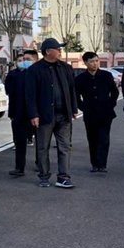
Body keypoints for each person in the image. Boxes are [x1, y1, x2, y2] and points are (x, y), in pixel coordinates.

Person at [26, 38, 78, 188]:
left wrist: (73, 109)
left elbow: (71, 89)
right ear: (48, 51)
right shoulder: (35, 70)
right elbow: (30, 95)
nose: (60, 51)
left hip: (64, 114)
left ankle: (63, 177)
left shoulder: (66, 68)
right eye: (58, 49)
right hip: (44, 116)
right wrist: (33, 114)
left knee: (65, 147)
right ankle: (44, 176)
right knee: (43, 147)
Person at [75, 52, 119, 173]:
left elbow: (114, 92)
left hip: (105, 113)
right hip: (90, 114)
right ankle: (94, 164)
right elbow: (76, 97)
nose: (95, 64)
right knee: (92, 139)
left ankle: (102, 164)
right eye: (91, 61)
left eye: (96, 61)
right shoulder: (80, 79)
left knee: (104, 139)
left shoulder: (106, 75)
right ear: (85, 63)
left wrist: (110, 104)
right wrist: (83, 107)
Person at [5, 50, 38, 177]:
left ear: (36, 60)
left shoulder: (41, 74)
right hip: (19, 114)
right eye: (24, 59)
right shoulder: (17, 76)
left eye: (28, 59)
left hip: (37, 114)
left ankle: (41, 165)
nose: (25, 62)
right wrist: (12, 113)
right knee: (19, 142)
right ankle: (19, 167)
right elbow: (12, 95)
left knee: (41, 143)